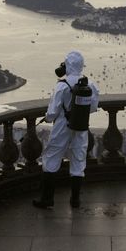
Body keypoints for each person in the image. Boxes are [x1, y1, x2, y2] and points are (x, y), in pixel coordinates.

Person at [33, 50, 100, 209]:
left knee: (51, 158)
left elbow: (52, 113)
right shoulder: (90, 85)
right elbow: (93, 108)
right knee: (78, 161)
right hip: (81, 126)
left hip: (62, 126)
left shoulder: (62, 86)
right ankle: (75, 200)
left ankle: (47, 198)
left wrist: (48, 118)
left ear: (68, 65)